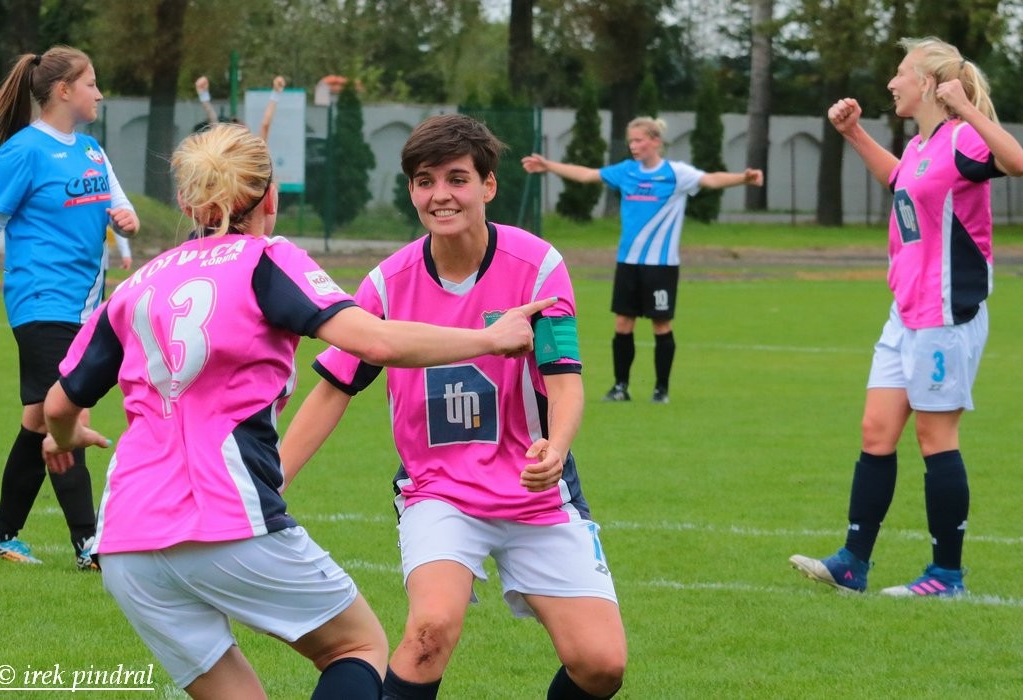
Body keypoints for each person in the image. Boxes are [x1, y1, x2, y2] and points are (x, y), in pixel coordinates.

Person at [40, 122, 551, 699]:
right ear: (270, 195)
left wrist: (65, 436)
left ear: (185, 202)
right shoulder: (266, 260)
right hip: (227, 519)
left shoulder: (135, 286)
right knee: (356, 647)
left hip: (126, 541)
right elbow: (375, 341)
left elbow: (59, 403)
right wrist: (489, 339)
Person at [281, 113, 627, 700]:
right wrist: (273, 483)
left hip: (536, 492)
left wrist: (557, 447)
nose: (440, 195)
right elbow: (334, 390)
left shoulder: (538, 266)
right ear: (412, 191)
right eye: (425, 181)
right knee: (429, 633)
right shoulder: (386, 284)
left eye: (457, 179)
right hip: (438, 491)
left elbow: (565, 382)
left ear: (488, 186)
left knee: (601, 665)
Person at [789, 37, 1023, 597]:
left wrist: (966, 108)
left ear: (928, 84)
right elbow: (901, 181)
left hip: (946, 315)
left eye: (901, 72)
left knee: (935, 436)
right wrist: (853, 134)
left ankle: (946, 576)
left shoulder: (963, 136)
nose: (892, 82)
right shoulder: (922, 145)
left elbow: (1016, 162)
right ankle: (852, 564)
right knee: (876, 431)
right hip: (906, 312)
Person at [0, 46, 140, 569]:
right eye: (91, 83)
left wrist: (127, 220)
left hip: (84, 307)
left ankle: (2, 537)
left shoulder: (91, 150)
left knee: (38, 419)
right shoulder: (23, 151)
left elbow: (121, 207)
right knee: (67, 412)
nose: (100, 94)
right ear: (64, 90)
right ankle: (89, 544)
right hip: (40, 301)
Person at [522, 117, 763, 404]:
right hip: (628, 263)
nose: (634, 146)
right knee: (623, 323)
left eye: (639, 140)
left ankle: (661, 389)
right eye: (631, 141)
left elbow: (710, 180)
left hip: (662, 265)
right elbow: (587, 175)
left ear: (655, 141)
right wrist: (549, 166)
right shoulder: (626, 171)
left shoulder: (675, 173)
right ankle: (620, 386)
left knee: (661, 324)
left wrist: (743, 178)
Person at [195, 74, 285, 140]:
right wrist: (276, 94)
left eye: (241, 125)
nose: (241, 126)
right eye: (238, 127)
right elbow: (265, 126)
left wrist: (203, 96)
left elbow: (214, 124)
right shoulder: (255, 152)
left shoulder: (227, 153)